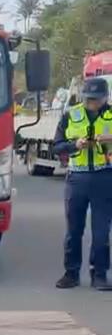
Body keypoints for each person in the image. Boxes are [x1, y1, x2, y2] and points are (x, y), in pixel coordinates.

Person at [53, 77, 112, 291]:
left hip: (104, 177)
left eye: (96, 100)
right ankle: (71, 273)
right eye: (88, 99)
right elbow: (56, 146)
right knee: (74, 229)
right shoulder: (71, 115)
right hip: (76, 179)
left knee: (101, 231)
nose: (92, 103)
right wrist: (74, 145)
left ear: (105, 98)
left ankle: (100, 275)